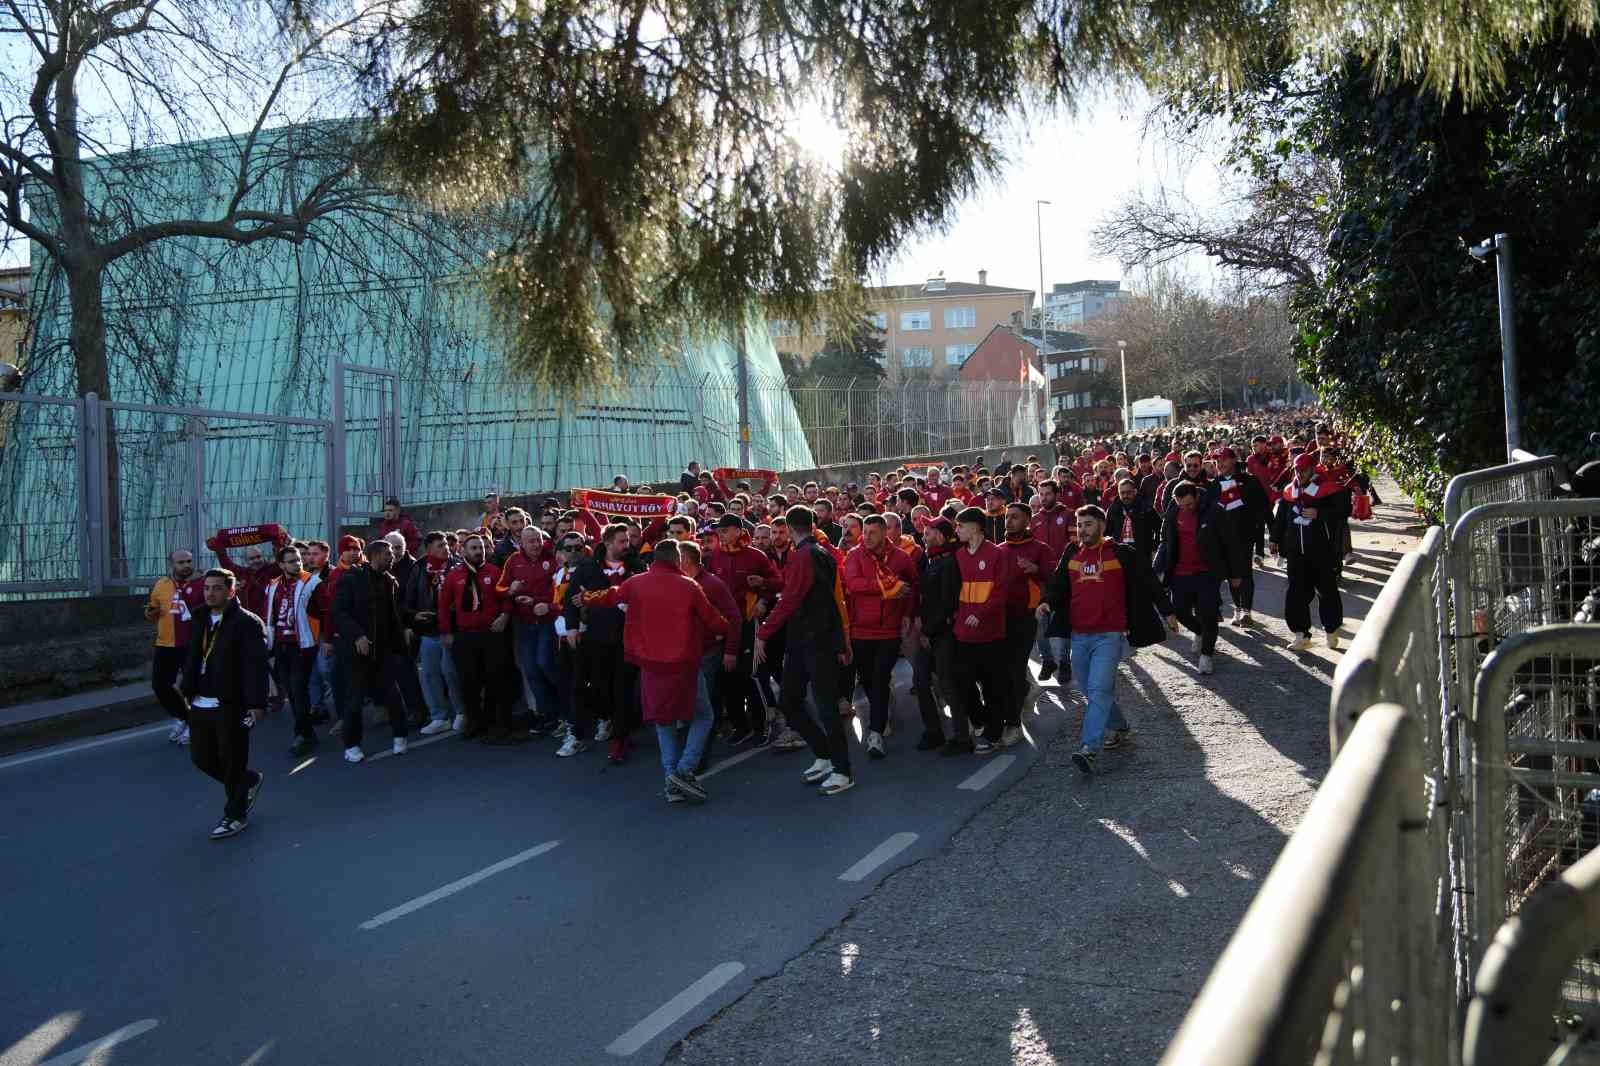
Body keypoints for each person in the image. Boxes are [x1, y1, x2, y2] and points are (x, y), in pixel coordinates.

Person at [588, 538, 731, 803]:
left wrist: (585, 597)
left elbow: (611, 595)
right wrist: (725, 630)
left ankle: (670, 780)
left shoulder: (636, 582)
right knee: (703, 715)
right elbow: (714, 620)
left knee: (663, 720)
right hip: (684, 664)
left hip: (650, 664)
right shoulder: (689, 586)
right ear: (677, 559)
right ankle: (684, 769)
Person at [1038, 506, 1177, 775]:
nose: (1083, 530)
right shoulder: (1072, 553)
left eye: (1088, 524)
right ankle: (1121, 726)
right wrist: (1046, 603)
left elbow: (1148, 581)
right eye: (1079, 525)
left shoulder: (1122, 553)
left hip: (1110, 635)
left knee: (1099, 690)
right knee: (1091, 691)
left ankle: (1089, 749)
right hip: (1078, 635)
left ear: (1101, 525)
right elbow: (1057, 585)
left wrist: (1168, 611)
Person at [756, 505, 855, 795]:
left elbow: (789, 599)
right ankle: (824, 756)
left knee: (825, 707)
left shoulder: (807, 556)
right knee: (789, 701)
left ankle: (843, 770)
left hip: (817, 642)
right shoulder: (819, 553)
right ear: (811, 525)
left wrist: (763, 633)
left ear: (788, 528)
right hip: (803, 641)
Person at [181, 568, 269, 840]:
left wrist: (257, 704)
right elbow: (193, 656)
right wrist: (187, 688)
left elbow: (255, 667)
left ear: (231, 591)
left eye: (217, 588)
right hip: (201, 702)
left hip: (232, 703)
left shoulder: (247, 623)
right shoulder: (198, 618)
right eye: (207, 588)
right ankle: (247, 781)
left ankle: (235, 814)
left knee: (232, 760)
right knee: (201, 758)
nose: (210, 593)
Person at [332, 539, 425, 761]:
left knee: (393, 696)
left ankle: (400, 738)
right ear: (374, 556)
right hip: (357, 653)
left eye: (392, 553)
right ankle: (352, 745)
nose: (392, 557)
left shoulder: (390, 582)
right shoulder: (351, 579)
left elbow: (394, 613)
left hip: (383, 651)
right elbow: (339, 613)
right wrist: (358, 635)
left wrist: (411, 618)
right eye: (387, 554)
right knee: (355, 701)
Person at [564, 523, 643, 762]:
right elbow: (571, 599)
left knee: (623, 690)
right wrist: (572, 627)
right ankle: (606, 721)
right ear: (607, 543)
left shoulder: (637, 567)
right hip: (596, 639)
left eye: (627, 541)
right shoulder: (588, 568)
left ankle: (621, 739)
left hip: (627, 639)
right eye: (621, 541)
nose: (626, 545)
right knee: (599, 687)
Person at [841, 514, 918, 759]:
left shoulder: (901, 558)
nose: (868, 536)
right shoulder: (854, 555)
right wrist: (888, 587)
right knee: (867, 680)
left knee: (881, 677)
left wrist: (907, 613)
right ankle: (881, 715)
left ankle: (875, 733)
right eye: (866, 531)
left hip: (889, 630)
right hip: (861, 629)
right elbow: (854, 584)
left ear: (885, 533)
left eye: (873, 532)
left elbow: (912, 588)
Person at [706, 514, 781, 745]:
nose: (721, 534)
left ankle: (763, 726)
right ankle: (741, 726)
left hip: (749, 622)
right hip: (724, 624)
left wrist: (763, 597)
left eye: (725, 530)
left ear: (738, 531)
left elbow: (778, 582)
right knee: (729, 677)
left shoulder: (755, 556)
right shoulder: (715, 556)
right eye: (719, 530)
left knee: (752, 675)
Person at [440, 533, 514, 741]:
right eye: (473, 548)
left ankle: (498, 722)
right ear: (463, 551)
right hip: (465, 637)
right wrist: (446, 632)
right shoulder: (454, 575)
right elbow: (444, 606)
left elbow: (506, 597)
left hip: (492, 634)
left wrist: (505, 615)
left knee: (497, 679)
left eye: (480, 547)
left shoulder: (494, 571)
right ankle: (475, 722)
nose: (478, 551)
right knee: (468, 683)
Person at [950, 506, 1011, 755]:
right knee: (961, 682)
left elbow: (1001, 592)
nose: (957, 530)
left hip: (991, 633)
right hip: (963, 632)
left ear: (975, 527)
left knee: (992, 685)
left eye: (960, 526)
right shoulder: (959, 555)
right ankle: (982, 720)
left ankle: (993, 734)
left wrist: (981, 613)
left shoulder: (996, 555)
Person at [1271, 453, 1348, 651]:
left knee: (1327, 591)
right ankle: (1301, 634)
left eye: (1303, 470)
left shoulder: (1328, 488)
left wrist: (1320, 514)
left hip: (1321, 551)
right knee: (1296, 593)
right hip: (1296, 552)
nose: (1299, 474)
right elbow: (1280, 518)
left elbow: (1343, 511)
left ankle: (1331, 630)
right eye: (1297, 470)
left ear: (1312, 469)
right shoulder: (1290, 491)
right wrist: (1275, 539)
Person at [998, 501, 1057, 744]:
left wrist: (1035, 569)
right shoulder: (998, 549)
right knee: (1004, 670)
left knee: (1013, 667)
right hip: (1000, 616)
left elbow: (1054, 581)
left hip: (1026, 615)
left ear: (1027, 521)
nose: (1009, 520)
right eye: (1007, 516)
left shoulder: (1041, 549)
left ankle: (1013, 726)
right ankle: (1027, 690)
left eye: (1015, 517)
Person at [497, 525, 564, 735]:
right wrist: (511, 590)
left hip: (548, 622)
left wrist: (538, 601)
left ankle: (565, 709)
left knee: (546, 664)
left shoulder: (552, 558)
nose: (536, 544)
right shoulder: (513, 561)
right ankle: (547, 715)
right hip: (525, 624)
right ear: (522, 544)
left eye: (538, 540)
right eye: (531, 541)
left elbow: (559, 593)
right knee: (531, 670)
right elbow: (499, 588)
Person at [1155, 482, 1227, 675]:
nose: (1185, 508)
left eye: (1188, 504)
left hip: (1206, 572)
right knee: (1179, 610)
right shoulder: (1172, 513)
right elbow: (1165, 541)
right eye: (1181, 505)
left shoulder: (1213, 511)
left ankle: (1206, 655)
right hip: (1180, 572)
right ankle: (1200, 632)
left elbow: (1228, 541)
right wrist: (1158, 567)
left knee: (1208, 612)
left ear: (1196, 497)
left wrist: (1235, 573)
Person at [402, 531, 464, 736]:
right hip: (428, 631)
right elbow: (408, 600)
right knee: (428, 674)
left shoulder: (457, 566)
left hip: (451, 630)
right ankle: (439, 717)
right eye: (440, 545)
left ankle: (462, 712)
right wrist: (414, 616)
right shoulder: (419, 568)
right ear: (428, 549)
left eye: (446, 544)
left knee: (450, 671)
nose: (445, 547)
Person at [263, 544, 323, 755]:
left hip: (302, 645)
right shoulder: (273, 586)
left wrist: (324, 638)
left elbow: (323, 612)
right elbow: (269, 615)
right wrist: (268, 642)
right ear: (281, 565)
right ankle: (307, 733)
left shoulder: (312, 582)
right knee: (292, 692)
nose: (297, 563)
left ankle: (303, 735)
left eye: (298, 559)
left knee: (298, 689)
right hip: (280, 645)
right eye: (291, 561)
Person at [912, 518, 962, 753]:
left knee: (947, 683)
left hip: (943, 633)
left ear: (941, 536)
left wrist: (928, 631)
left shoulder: (950, 563)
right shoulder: (931, 560)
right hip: (929, 632)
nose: (924, 535)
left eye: (929, 531)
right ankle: (934, 731)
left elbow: (948, 603)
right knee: (921, 682)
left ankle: (962, 737)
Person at [145, 548, 204, 745]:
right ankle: (184, 718)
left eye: (189, 561)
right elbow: (152, 609)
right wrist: (150, 612)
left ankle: (196, 726)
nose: (186, 565)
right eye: (181, 562)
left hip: (193, 644)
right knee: (160, 686)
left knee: (192, 687)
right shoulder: (161, 585)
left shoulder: (202, 583)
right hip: (166, 644)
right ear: (172, 564)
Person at [1205, 447, 1269, 626]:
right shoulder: (1213, 485)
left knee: (1245, 573)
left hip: (1244, 536)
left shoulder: (1249, 481)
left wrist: (1272, 535)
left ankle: (1246, 611)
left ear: (1234, 460)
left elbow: (1264, 507)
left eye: (1223, 459)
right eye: (1216, 460)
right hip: (1221, 539)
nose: (1219, 463)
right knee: (1231, 576)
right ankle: (1238, 608)